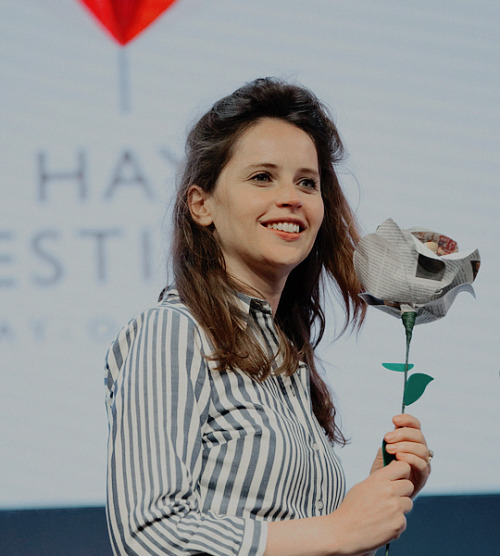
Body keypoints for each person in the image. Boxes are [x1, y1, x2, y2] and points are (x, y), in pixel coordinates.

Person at [105, 77, 431, 556]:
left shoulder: (286, 355)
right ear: (201, 205)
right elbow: (149, 535)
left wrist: (374, 497)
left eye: (307, 182)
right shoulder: (174, 332)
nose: (292, 197)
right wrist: (338, 530)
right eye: (262, 177)